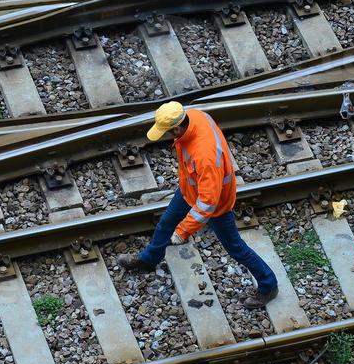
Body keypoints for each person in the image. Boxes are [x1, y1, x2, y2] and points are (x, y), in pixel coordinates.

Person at [115, 101, 279, 307]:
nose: (166, 136)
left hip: (216, 205)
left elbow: (208, 203)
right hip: (189, 191)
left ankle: (268, 285)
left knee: (236, 248)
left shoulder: (205, 156)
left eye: (166, 132)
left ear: (177, 128)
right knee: (165, 223)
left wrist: (183, 231)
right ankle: (149, 259)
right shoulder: (195, 115)